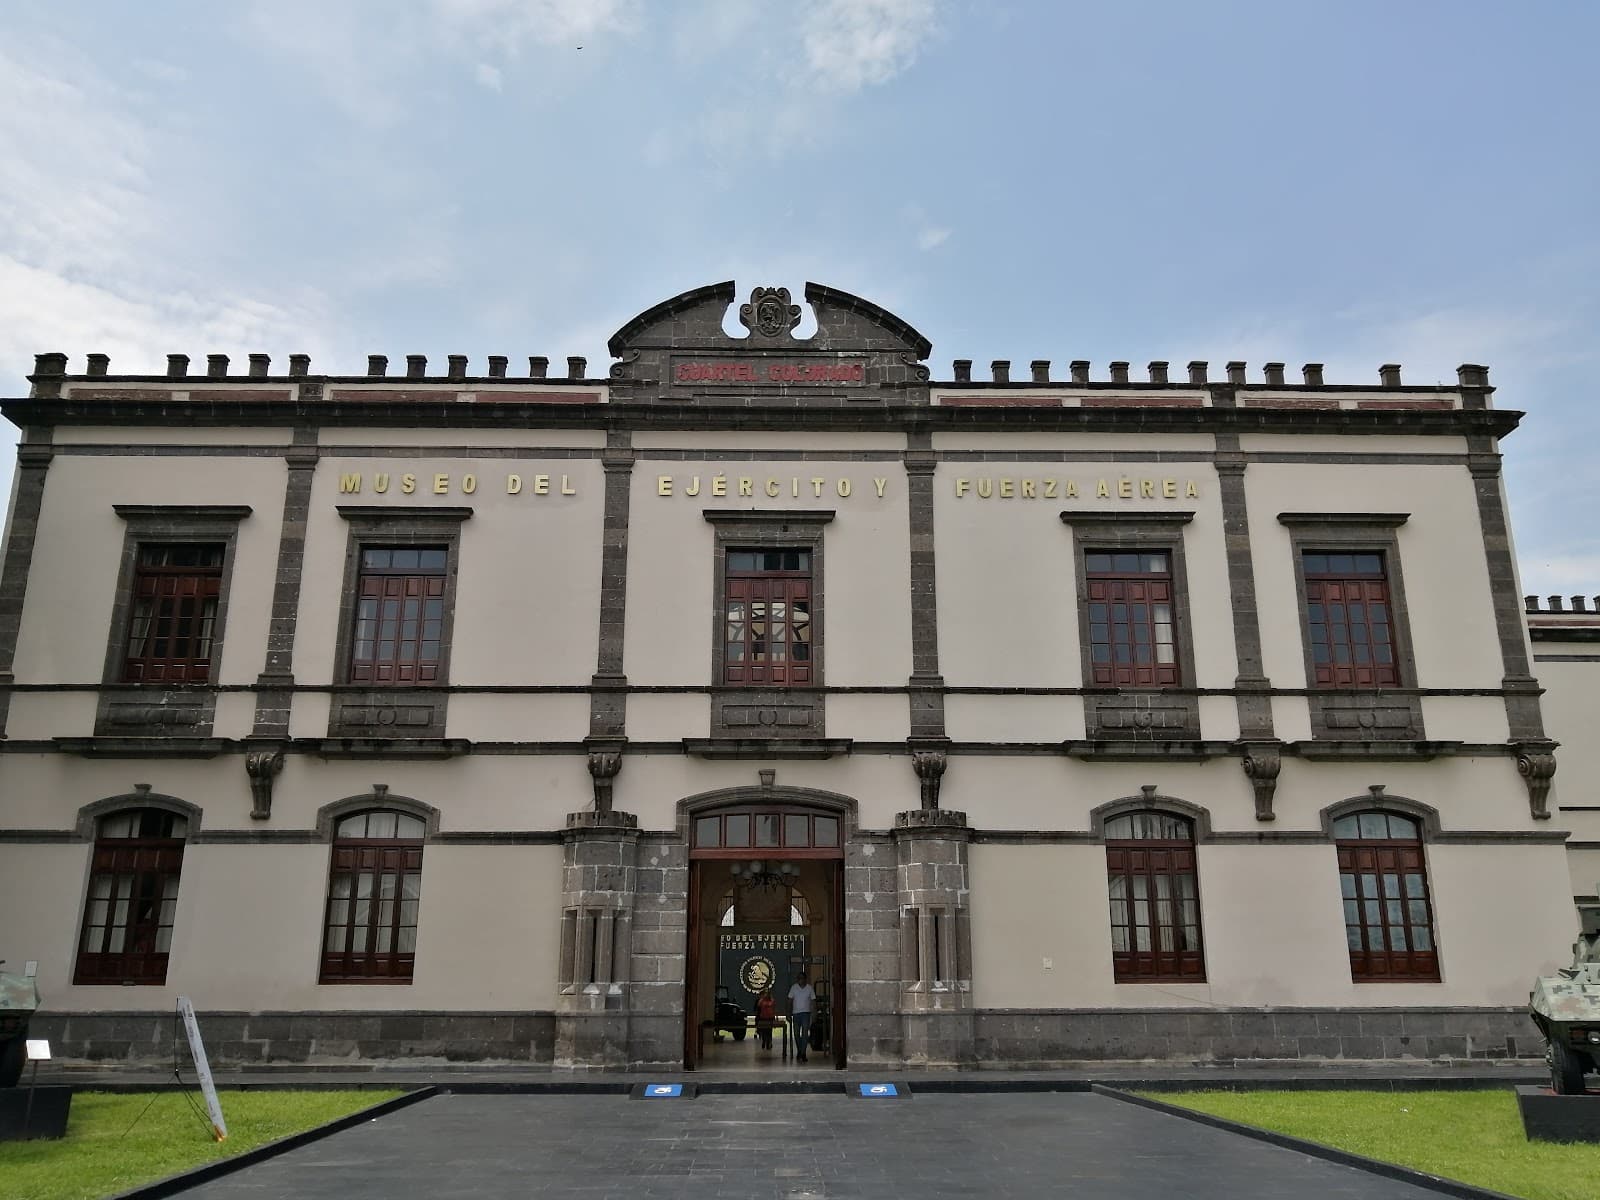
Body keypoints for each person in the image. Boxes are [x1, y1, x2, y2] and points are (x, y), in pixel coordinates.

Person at [786, 971, 815, 1063]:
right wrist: (788, 1013)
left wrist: (814, 1013)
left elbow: (813, 1001)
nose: (800, 980)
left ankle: (803, 1053)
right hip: (796, 1013)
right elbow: (789, 1001)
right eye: (798, 978)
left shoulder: (809, 988)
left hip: (806, 1013)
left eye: (802, 978)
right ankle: (799, 1050)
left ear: (805, 979)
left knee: (805, 1033)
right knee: (796, 1033)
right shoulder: (794, 988)